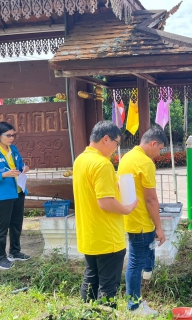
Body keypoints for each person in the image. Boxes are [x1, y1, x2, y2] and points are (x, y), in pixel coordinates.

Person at [73, 120, 137, 306]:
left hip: (89, 235)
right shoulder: (102, 164)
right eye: (117, 144)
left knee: (90, 280)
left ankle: (85, 314)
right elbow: (105, 202)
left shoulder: (81, 160)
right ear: (106, 139)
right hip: (107, 238)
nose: (116, 149)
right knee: (107, 289)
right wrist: (127, 209)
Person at [117, 126, 167, 316]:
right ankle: (134, 306)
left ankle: (135, 299)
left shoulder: (127, 158)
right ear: (153, 143)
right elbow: (151, 199)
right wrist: (159, 228)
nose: (158, 153)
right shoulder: (145, 163)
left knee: (137, 260)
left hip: (129, 217)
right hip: (141, 221)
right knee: (135, 263)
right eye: (160, 148)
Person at [0, 121, 31, 270]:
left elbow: (20, 164)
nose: (12, 138)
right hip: (3, 195)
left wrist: (24, 168)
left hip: (18, 191)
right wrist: (4, 174)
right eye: (8, 135)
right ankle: (0, 258)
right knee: (1, 227)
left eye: (13, 135)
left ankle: (14, 252)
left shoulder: (13, 150)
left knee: (16, 224)